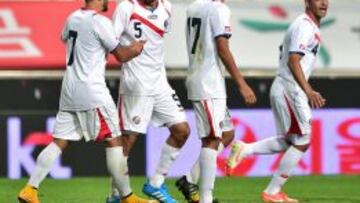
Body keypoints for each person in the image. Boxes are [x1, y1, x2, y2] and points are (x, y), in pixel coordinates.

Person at [17, 0, 151, 202]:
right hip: (92, 90)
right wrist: (136, 48)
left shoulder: (73, 18)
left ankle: (30, 189)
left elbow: (66, 38)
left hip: (70, 88)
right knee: (114, 139)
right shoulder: (100, 22)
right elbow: (122, 55)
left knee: (59, 142)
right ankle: (127, 197)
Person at [226, 0, 328, 202]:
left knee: (292, 140)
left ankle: (245, 149)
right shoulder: (304, 25)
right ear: (307, 2)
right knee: (303, 140)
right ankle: (272, 192)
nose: (324, 3)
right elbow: (293, 60)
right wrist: (308, 90)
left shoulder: (311, 27)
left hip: (288, 87)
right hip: (290, 88)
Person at [107, 0, 190, 202]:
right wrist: (128, 52)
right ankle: (116, 196)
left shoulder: (166, 7)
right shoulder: (127, 7)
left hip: (160, 83)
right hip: (136, 84)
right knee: (127, 141)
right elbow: (110, 42)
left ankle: (155, 184)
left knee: (182, 131)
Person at [175, 0, 257, 202]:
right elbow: (222, 48)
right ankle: (206, 198)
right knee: (211, 139)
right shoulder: (219, 9)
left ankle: (188, 179)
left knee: (227, 134)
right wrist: (242, 84)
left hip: (203, 79)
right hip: (208, 84)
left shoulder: (194, 6)